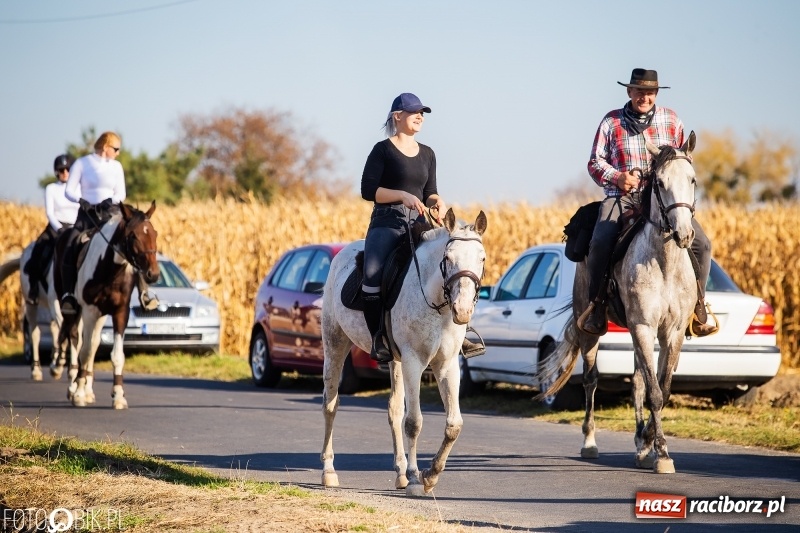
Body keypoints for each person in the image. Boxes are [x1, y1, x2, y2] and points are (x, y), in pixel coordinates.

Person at [578, 68, 718, 338]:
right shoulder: (611, 122)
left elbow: (682, 161)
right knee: (600, 241)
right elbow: (594, 163)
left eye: (650, 92)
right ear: (629, 92)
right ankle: (597, 306)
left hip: (663, 201)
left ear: (656, 94)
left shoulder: (672, 120)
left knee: (703, 244)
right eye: (639, 91)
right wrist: (618, 178)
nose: (645, 96)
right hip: (622, 198)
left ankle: (699, 307)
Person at [360, 93, 485, 362]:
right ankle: (378, 338)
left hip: (419, 224)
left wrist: (438, 202)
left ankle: (461, 333)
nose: (420, 117)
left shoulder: (428, 153)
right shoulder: (382, 150)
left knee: (449, 266)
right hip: (387, 222)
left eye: (422, 113)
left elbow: (430, 192)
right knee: (372, 276)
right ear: (397, 116)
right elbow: (368, 190)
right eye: (414, 112)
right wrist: (401, 195)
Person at [59, 131, 158, 314]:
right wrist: (81, 200)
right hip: (87, 216)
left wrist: (109, 200)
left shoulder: (116, 167)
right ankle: (68, 295)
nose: (118, 153)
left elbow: (121, 193)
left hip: (109, 214)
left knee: (132, 244)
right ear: (105, 147)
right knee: (71, 244)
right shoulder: (82, 163)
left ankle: (145, 292)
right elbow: (69, 191)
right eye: (116, 149)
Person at [23, 154, 80, 305]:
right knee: (38, 250)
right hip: (56, 227)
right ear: (56, 172)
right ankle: (33, 289)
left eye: (68, 169)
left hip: (75, 227)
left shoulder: (79, 188)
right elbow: (50, 212)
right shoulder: (52, 188)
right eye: (61, 170)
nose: (65, 173)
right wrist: (60, 228)